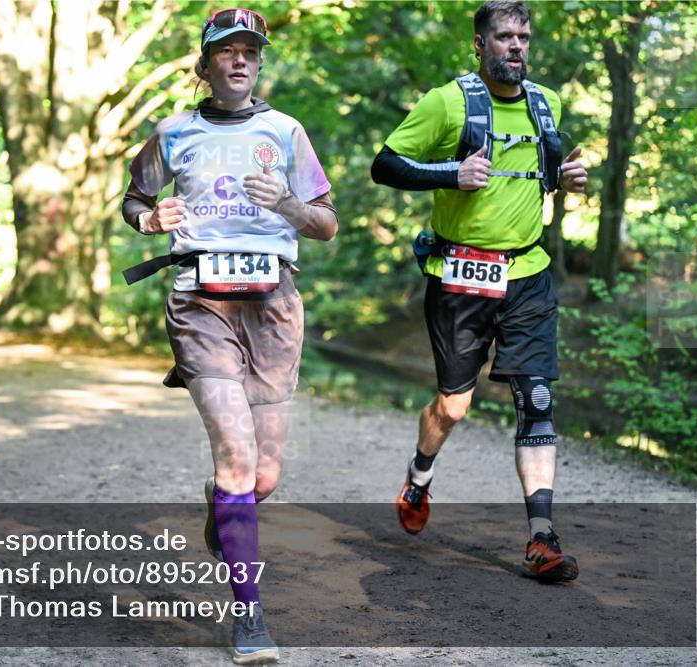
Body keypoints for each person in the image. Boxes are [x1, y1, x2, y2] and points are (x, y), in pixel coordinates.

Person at [123, 8, 338, 663]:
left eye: (250, 50)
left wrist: (290, 206)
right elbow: (134, 201)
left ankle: (226, 506)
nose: (240, 60)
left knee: (263, 476)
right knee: (239, 458)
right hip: (200, 305)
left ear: (260, 61)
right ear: (206, 62)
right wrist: (148, 218)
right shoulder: (172, 132)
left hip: (274, 307)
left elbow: (327, 223)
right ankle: (249, 615)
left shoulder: (287, 132)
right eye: (227, 50)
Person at [370, 0, 588, 582]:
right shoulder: (449, 102)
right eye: (503, 37)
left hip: (528, 274)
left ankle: (541, 537)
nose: (515, 46)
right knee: (454, 405)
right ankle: (419, 477)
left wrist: (565, 177)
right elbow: (384, 165)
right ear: (480, 44)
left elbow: (545, 171)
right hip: (460, 277)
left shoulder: (548, 104)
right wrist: (450, 173)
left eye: (523, 36)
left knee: (537, 399)